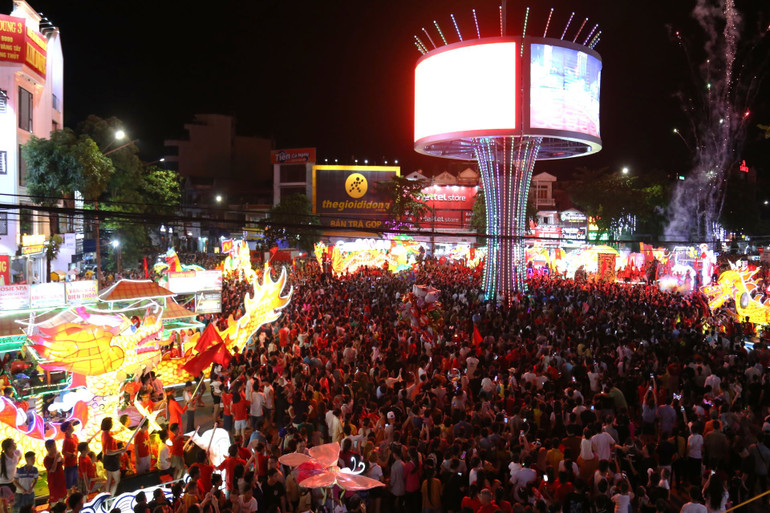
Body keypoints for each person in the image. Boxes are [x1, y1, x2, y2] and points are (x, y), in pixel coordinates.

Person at [101, 417, 121, 495]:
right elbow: (108, 452)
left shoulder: (104, 434)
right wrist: (120, 450)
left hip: (106, 459)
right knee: (117, 480)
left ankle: (106, 495)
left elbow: (111, 433)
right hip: (112, 459)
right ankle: (111, 497)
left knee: (109, 479)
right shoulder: (109, 438)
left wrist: (119, 431)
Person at [0, 439, 21, 513]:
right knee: (4, 506)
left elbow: (18, 459)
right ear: (9, 448)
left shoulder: (17, 453)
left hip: (12, 482)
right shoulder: (2, 460)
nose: (15, 444)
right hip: (3, 484)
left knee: (13, 503)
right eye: (13, 444)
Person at [43, 439, 66, 506]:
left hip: (61, 479)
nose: (55, 447)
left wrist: (61, 458)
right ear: (48, 448)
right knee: (54, 499)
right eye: (53, 446)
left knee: (61, 497)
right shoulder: (46, 459)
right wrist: (55, 459)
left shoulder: (57, 454)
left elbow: (63, 463)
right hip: (53, 482)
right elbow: (52, 469)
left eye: (55, 445)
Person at [61, 421, 79, 491]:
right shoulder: (66, 440)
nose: (72, 426)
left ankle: (74, 495)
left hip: (74, 463)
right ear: (68, 429)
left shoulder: (74, 436)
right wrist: (72, 455)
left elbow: (77, 446)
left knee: (75, 482)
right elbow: (64, 452)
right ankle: (69, 497)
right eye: (71, 425)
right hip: (69, 465)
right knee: (69, 484)